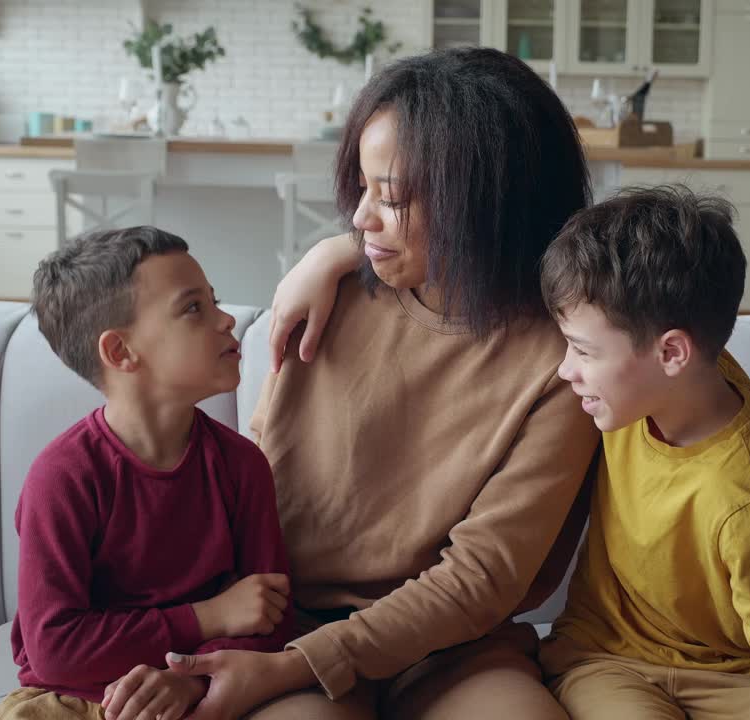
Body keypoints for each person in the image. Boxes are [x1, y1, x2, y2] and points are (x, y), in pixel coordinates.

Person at [163, 48, 600, 719]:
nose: (361, 218)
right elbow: (249, 476)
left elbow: (481, 580)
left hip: (451, 646)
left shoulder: (561, 362)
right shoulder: (330, 296)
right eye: (362, 188)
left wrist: (309, 663)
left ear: (481, 204)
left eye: (389, 197)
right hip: (287, 623)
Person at [537, 186, 750, 719]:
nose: (565, 369)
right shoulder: (652, 386)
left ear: (671, 353)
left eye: (583, 351)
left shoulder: (747, 505)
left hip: (730, 676)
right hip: (608, 658)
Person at [0, 226, 295, 720]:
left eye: (215, 302)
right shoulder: (62, 478)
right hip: (70, 698)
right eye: (194, 308)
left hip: (206, 687)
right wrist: (206, 616)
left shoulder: (243, 466)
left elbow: (269, 616)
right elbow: (55, 649)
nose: (226, 321)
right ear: (119, 353)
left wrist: (191, 680)